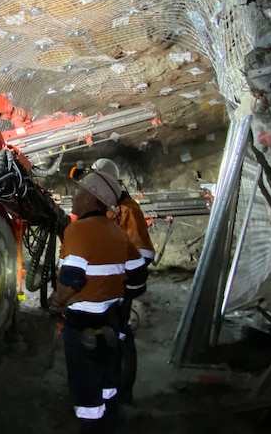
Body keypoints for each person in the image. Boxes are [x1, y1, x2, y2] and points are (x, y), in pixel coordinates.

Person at [49, 171, 145, 434]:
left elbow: (72, 278)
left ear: (91, 199)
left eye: (79, 192)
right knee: (107, 381)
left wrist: (58, 301)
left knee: (85, 389)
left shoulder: (77, 229)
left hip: (81, 323)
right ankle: (110, 423)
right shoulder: (116, 231)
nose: (74, 196)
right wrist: (120, 296)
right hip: (110, 320)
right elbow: (138, 273)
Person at [91, 158, 152, 404]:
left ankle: (121, 391)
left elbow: (142, 254)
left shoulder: (128, 210)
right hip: (104, 290)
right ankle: (105, 387)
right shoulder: (104, 209)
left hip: (121, 288)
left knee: (119, 336)